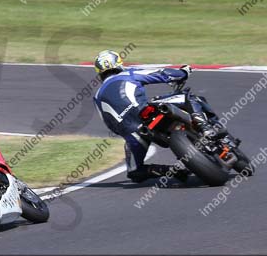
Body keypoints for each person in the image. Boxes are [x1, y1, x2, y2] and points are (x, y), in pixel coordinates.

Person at [92, 50, 217, 183]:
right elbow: (161, 74)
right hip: (147, 112)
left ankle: (172, 171)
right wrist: (183, 72)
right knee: (189, 97)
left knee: (135, 172)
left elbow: (109, 123)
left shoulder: (97, 96)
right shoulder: (128, 74)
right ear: (119, 64)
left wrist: (128, 134)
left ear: (99, 72)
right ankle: (204, 126)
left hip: (134, 133)